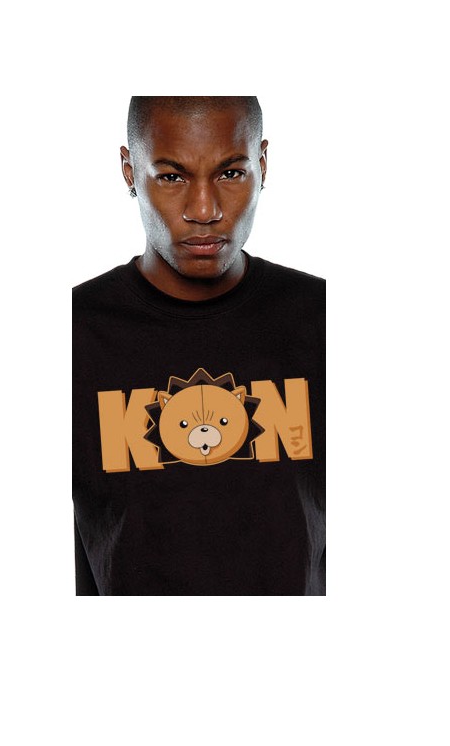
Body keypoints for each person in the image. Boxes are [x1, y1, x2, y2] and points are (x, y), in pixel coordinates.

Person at [72, 97, 325, 595]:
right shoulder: (69, 333)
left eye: (230, 173)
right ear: (129, 171)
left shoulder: (324, 318)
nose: (204, 210)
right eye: (171, 177)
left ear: (263, 165)